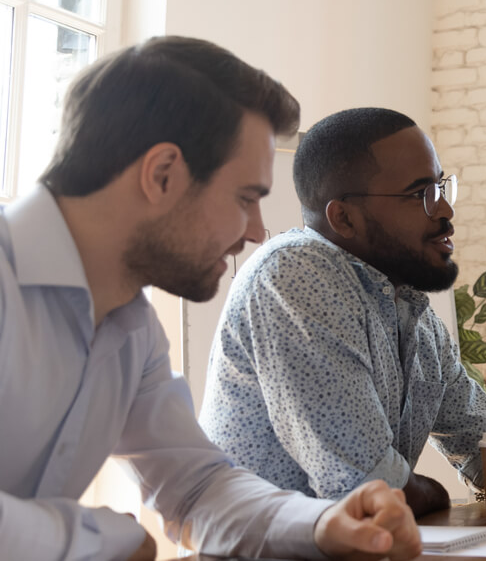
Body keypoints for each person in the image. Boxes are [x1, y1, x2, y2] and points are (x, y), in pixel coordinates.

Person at [0, 37, 422, 561]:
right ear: (162, 175)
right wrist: (105, 541)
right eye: (246, 198)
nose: (256, 232)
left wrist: (321, 524)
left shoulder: (132, 330)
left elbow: (198, 489)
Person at [198, 106, 486, 522]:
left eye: (442, 186)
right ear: (344, 219)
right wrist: (433, 494)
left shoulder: (410, 310)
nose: (444, 210)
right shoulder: (296, 274)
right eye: (420, 193)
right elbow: (369, 489)